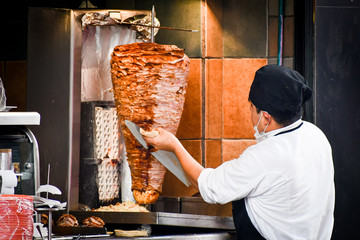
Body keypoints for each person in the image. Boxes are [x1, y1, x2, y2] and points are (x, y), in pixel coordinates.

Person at [143, 65, 335, 240]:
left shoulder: (266, 156)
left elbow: (211, 188)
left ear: (266, 117)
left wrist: (174, 146)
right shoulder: (316, 136)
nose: (251, 115)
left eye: (251, 107)